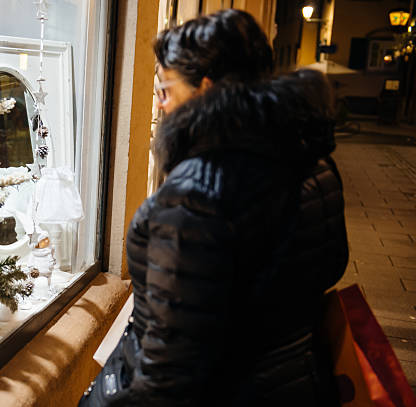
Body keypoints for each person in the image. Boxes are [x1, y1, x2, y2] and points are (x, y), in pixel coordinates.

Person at [79, 9, 348, 407]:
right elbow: (332, 263)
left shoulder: (195, 193)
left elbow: (169, 370)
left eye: (165, 90)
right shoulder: (313, 158)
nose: (159, 105)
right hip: (295, 380)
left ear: (204, 90)